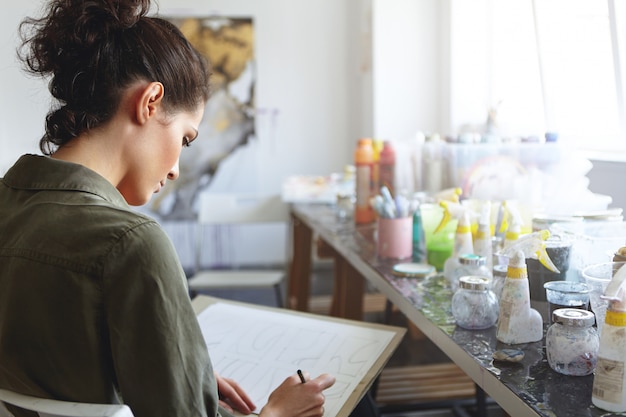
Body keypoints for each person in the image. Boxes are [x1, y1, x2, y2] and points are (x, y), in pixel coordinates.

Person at [0, 0, 336, 416]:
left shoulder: (7, 203)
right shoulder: (131, 243)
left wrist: (166, 367)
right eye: (186, 139)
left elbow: (52, 358)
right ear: (150, 102)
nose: (176, 169)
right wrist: (278, 413)